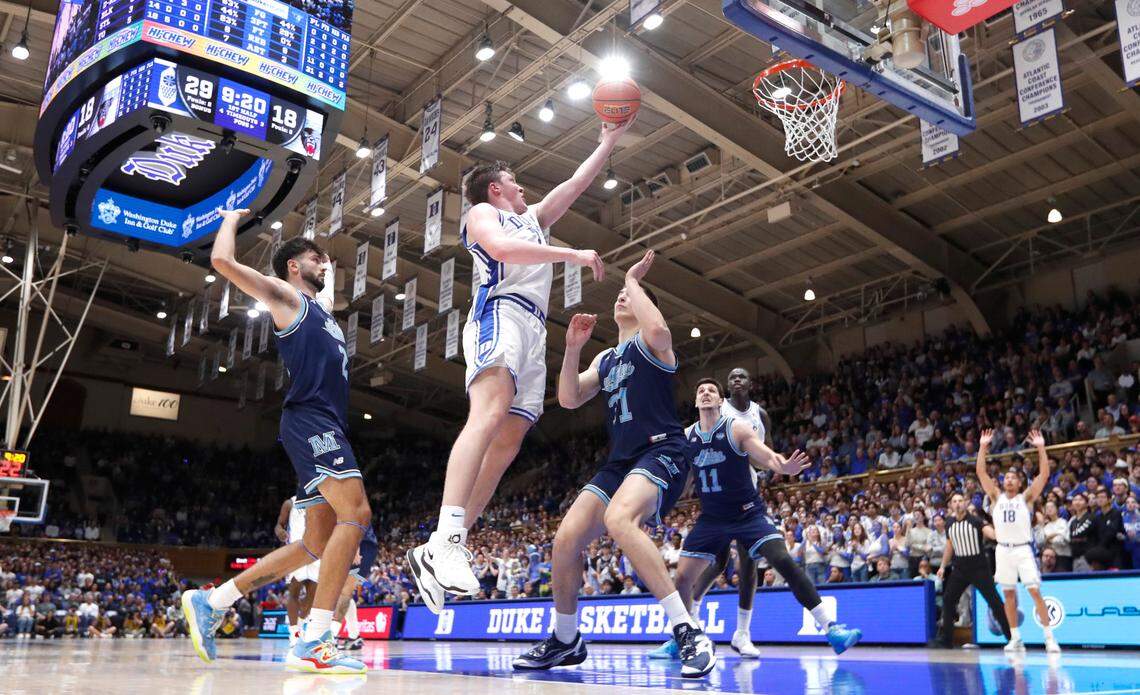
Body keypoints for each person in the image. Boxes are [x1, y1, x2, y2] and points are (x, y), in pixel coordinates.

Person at [408, 120, 634, 612]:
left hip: (533, 329)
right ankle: (446, 537)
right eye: (513, 179)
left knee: (509, 441)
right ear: (495, 187)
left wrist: (607, 142)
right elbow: (503, 250)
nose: (521, 186)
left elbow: (574, 184)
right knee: (487, 416)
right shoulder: (482, 213)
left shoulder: (531, 217)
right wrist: (570, 253)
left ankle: (441, 548)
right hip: (500, 313)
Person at [181, 210, 371, 674]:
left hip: (324, 423)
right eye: (316, 258)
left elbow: (328, 280)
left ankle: (215, 600)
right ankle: (317, 635)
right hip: (310, 422)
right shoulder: (287, 298)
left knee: (315, 544)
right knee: (358, 514)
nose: (325, 265)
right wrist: (229, 218)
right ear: (292, 267)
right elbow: (222, 261)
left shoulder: (323, 313)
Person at [513, 251, 713, 678]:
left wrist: (635, 280)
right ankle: (566, 639)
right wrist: (571, 350)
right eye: (621, 294)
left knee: (621, 520)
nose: (621, 298)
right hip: (621, 461)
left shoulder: (652, 344)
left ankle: (686, 628)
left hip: (663, 451)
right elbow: (568, 398)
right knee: (565, 540)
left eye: (629, 296)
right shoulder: (606, 359)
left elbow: (657, 326)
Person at [658, 379, 861, 662]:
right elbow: (684, 482)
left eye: (711, 391)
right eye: (700, 391)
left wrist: (783, 465)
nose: (705, 393)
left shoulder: (735, 427)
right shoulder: (687, 437)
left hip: (747, 513)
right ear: (695, 402)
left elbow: (764, 454)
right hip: (712, 518)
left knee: (783, 560)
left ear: (720, 401)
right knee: (682, 577)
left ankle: (832, 628)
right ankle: (682, 635)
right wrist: (659, 503)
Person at [668, 367, 772, 659]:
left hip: (746, 493)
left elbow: (766, 456)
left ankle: (742, 633)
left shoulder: (759, 416)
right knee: (715, 560)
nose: (737, 380)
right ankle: (692, 623)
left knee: (748, 561)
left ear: (751, 383)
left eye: (742, 377)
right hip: (717, 497)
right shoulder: (713, 410)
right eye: (732, 378)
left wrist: (759, 458)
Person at [977, 429, 1059, 654]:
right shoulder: (995, 497)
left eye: (1013, 477)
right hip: (1003, 551)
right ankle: (1015, 637)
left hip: (1023, 550)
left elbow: (1043, 475)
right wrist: (983, 447)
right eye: (1007, 477)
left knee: (1034, 592)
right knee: (1009, 596)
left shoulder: (1027, 497)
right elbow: (981, 472)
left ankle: (1049, 638)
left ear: (1020, 482)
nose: (1009, 479)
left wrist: (1041, 447)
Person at [935, 493, 1011, 648]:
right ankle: (947, 640)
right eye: (954, 501)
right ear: (951, 505)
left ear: (965, 503)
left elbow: (991, 533)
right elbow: (950, 546)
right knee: (948, 600)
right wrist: (942, 566)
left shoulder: (975, 521)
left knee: (994, 602)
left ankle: (1011, 637)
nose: (957, 504)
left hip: (979, 567)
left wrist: (1000, 532)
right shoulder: (949, 523)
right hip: (960, 568)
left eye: (960, 501)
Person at [279, 496, 317, 646]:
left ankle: (300, 626)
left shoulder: (322, 500)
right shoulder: (290, 503)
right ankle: (294, 633)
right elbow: (279, 525)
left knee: (312, 596)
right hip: (296, 551)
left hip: (316, 552)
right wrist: (280, 532)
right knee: (294, 592)